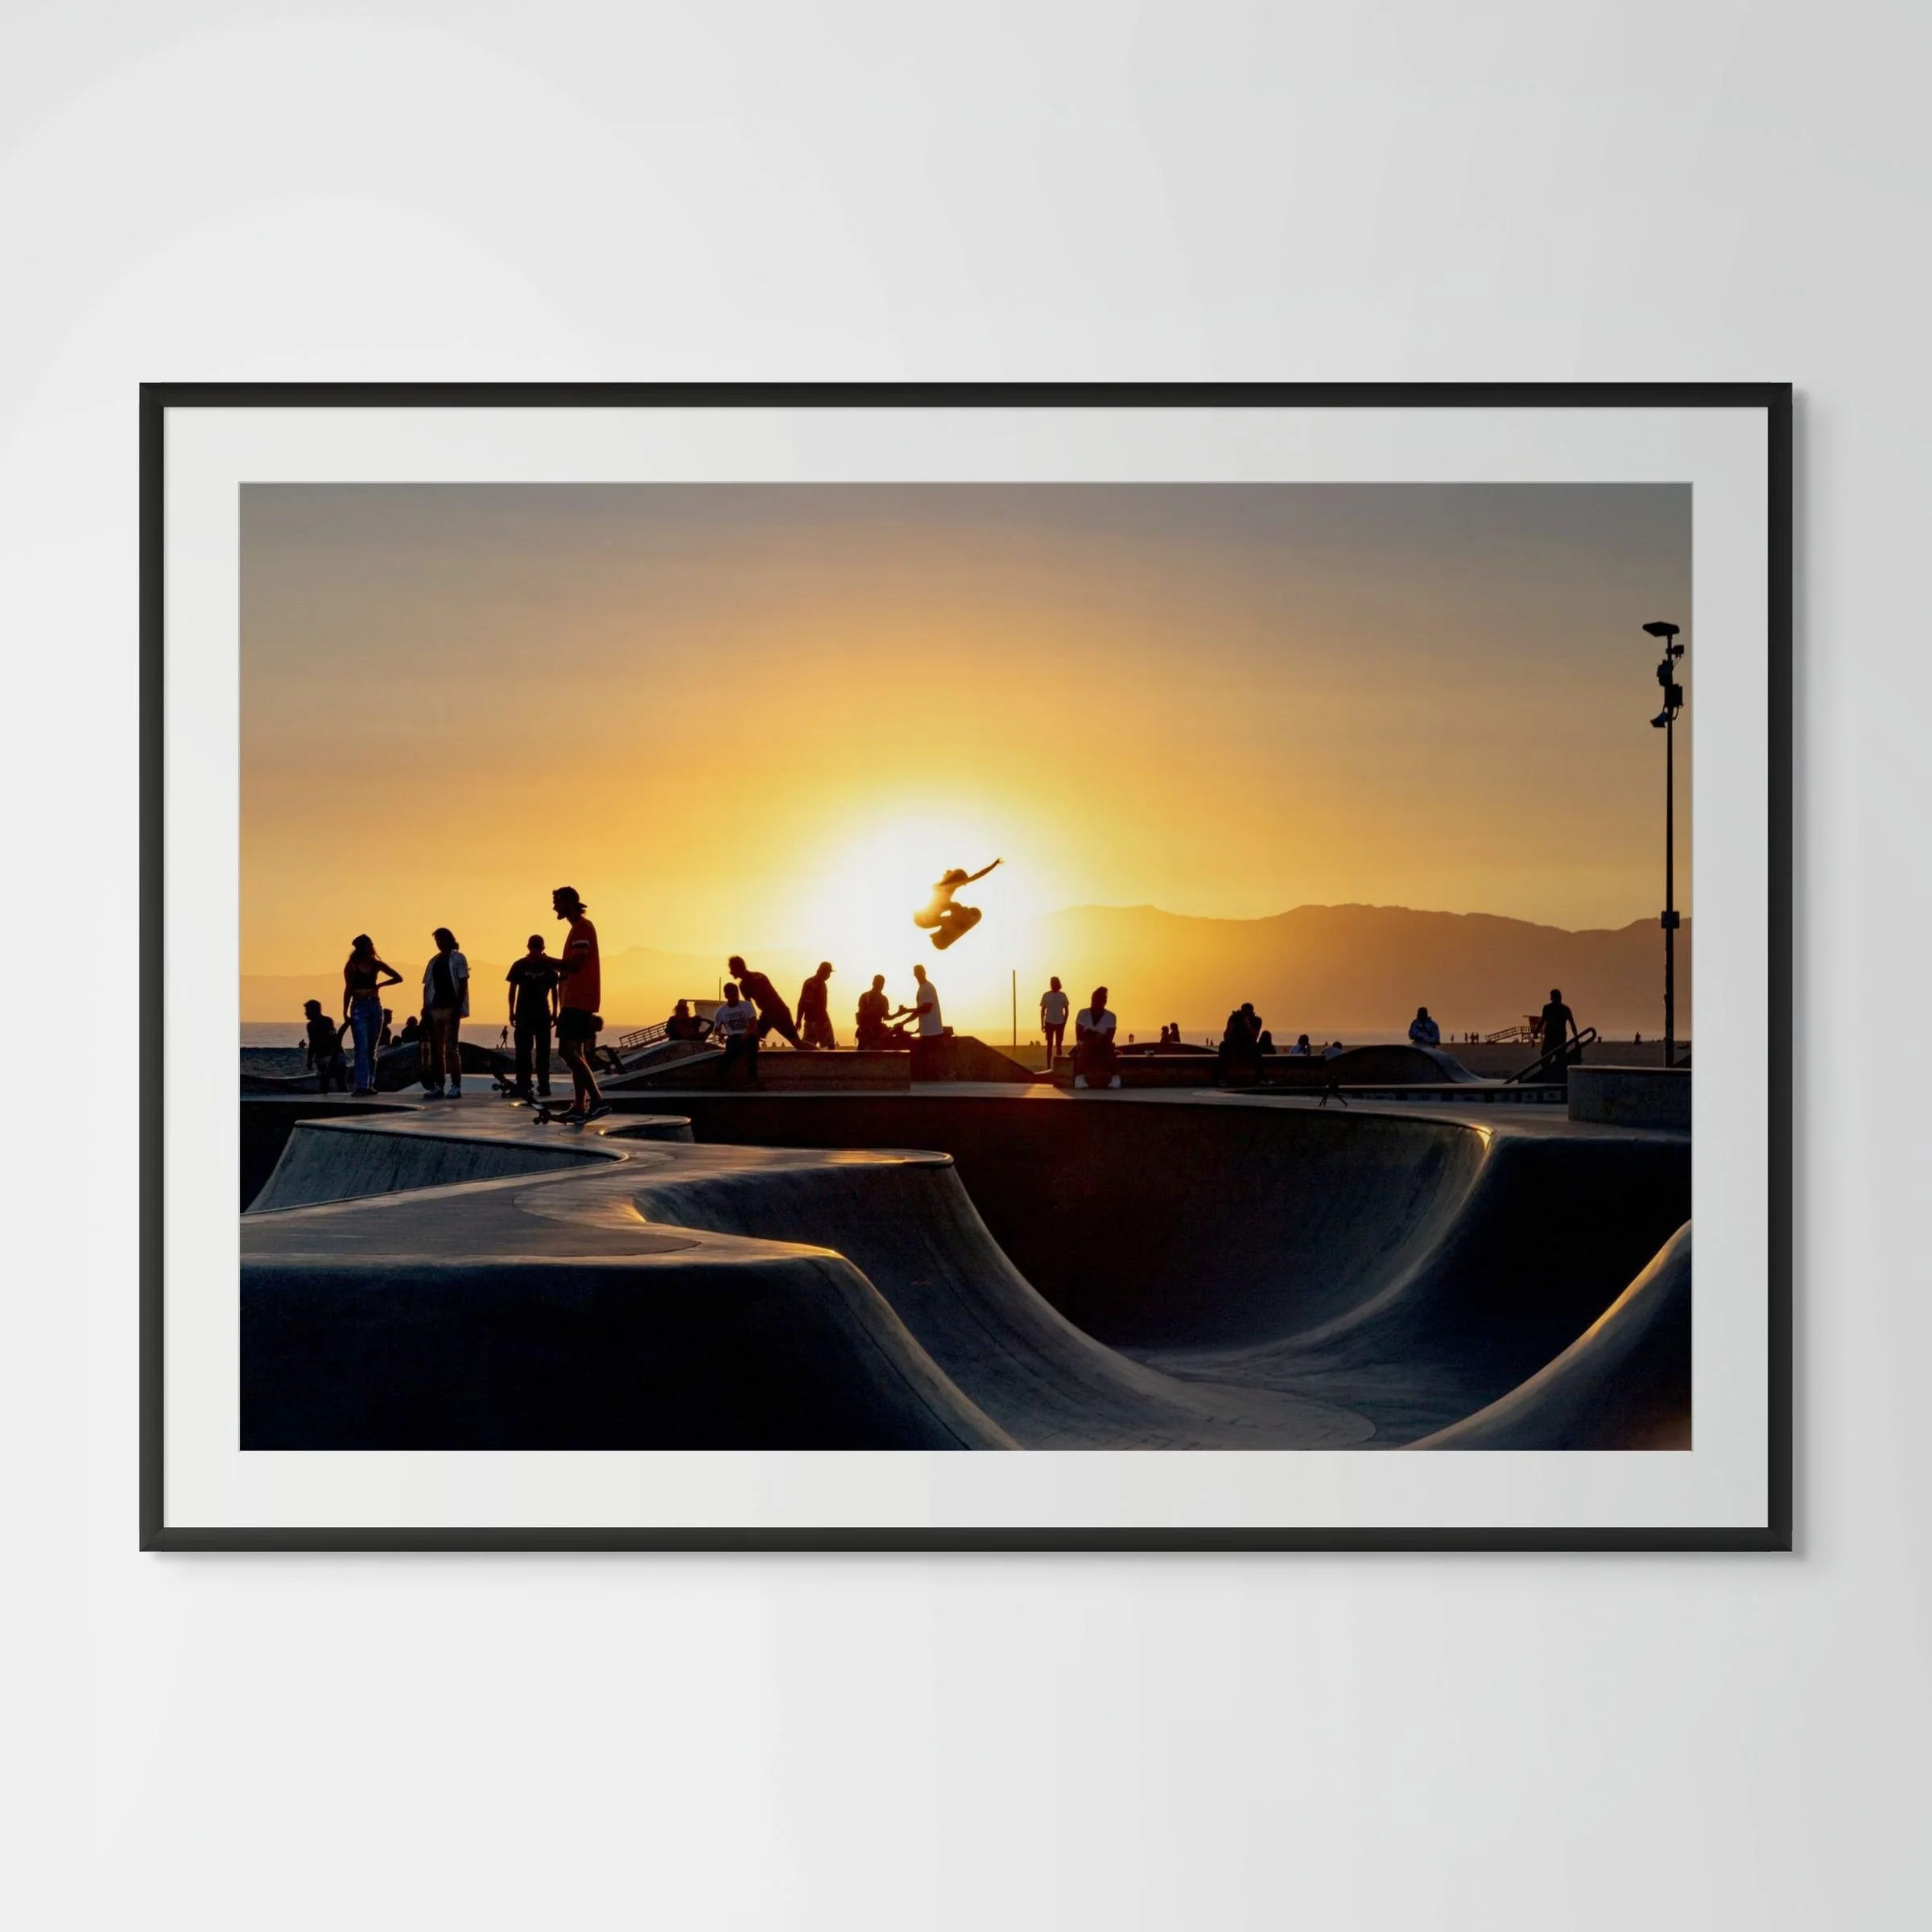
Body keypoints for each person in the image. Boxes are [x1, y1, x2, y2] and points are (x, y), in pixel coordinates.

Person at [552, 886, 608, 1120]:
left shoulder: (582, 928)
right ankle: (579, 1106)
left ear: (569, 903)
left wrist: (546, 962)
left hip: (578, 999)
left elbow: (576, 964)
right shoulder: (577, 929)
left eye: (557, 902)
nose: (554, 907)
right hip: (575, 999)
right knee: (577, 1053)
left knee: (567, 1051)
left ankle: (597, 1100)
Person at [341, 934, 403, 1095]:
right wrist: (345, 1010)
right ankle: (362, 1084)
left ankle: (369, 1084)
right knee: (361, 1046)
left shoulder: (376, 964)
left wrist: (381, 985)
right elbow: (348, 989)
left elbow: (398, 977)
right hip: (359, 1005)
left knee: (371, 1048)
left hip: (374, 1005)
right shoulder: (352, 966)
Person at [505, 934, 562, 1100]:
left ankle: (544, 1085)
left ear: (543, 949)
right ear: (529, 947)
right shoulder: (519, 965)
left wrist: (555, 1012)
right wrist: (511, 1011)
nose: (536, 950)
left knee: (543, 1053)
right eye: (534, 947)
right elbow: (512, 990)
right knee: (523, 1052)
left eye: (538, 947)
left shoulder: (549, 969)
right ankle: (524, 1084)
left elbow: (554, 991)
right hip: (523, 1015)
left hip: (542, 1014)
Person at [418, 927, 470, 1098]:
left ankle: (455, 1085)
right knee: (436, 1049)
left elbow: (463, 983)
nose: (439, 943)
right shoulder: (433, 961)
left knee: (451, 1048)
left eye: (442, 940)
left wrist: (458, 1006)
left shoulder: (458, 958)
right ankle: (439, 1084)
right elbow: (427, 986)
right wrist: (426, 1007)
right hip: (435, 1009)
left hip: (450, 1008)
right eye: (437, 941)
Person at [914, 859, 1001, 950]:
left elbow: (976, 876)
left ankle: (941, 937)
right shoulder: (948, 886)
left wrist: (993, 865)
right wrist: (993, 865)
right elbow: (976, 876)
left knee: (954, 908)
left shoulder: (938, 886)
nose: (945, 874)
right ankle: (946, 936)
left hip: (922, 918)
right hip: (926, 919)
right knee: (956, 907)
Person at [727, 955, 802, 1048]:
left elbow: (750, 1007)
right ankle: (821, 1056)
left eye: (731, 969)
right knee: (797, 1042)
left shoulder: (744, 984)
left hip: (770, 1012)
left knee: (752, 1035)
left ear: (737, 968)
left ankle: (751, 1058)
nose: (730, 972)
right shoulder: (760, 975)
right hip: (782, 1009)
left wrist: (753, 1023)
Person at [711, 980, 760, 1082]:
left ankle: (752, 1076)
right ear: (726, 996)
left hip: (748, 1035)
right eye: (732, 995)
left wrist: (746, 1033)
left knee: (752, 1048)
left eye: (736, 995)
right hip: (734, 1037)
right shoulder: (721, 1012)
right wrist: (720, 1035)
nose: (735, 998)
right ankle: (720, 1076)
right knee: (731, 1054)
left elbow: (753, 1023)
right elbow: (717, 1029)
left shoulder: (746, 1006)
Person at [1074, 985, 1120, 1088]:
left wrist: (1092, 1035)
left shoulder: (1111, 1017)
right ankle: (1080, 1077)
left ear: (1104, 1002)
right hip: (1084, 1045)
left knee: (1108, 1048)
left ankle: (1115, 1077)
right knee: (1087, 1044)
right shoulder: (1083, 1014)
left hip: (1103, 1045)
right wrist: (1096, 1036)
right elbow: (1080, 1036)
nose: (1094, 1002)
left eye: (1098, 1000)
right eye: (1094, 999)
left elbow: (1109, 1038)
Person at [302, 999, 349, 1093]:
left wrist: (334, 1055)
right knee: (327, 1080)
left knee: (338, 1080)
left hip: (332, 1055)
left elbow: (332, 1039)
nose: (306, 1013)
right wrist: (309, 1059)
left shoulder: (325, 1021)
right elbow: (313, 1043)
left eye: (307, 1011)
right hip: (324, 1056)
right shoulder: (311, 1025)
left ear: (314, 1011)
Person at [1538, 987, 1579, 1080]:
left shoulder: (1564, 1009)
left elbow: (1572, 1024)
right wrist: (1536, 1032)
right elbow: (1542, 1021)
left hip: (1558, 1038)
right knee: (1546, 1059)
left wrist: (1576, 1039)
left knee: (1559, 1059)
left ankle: (1556, 1075)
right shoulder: (1549, 1008)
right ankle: (1549, 1074)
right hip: (1551, 1038)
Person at [1218, 1003, 1265, 1084]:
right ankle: (1222, 1078)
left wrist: (1247, 1024)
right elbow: (1226, 1036)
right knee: (1223, 1046)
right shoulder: (1234, 1019)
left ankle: (1261, 1078)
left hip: (1248, 1046)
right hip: (1234, 1045)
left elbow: (1255, 1036)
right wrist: (1232, 1025)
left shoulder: (1256, 1020)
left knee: (1257, 1048)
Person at [797, 962, 836, 1049]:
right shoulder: (814, 984)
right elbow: (804, 1002)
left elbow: (802, 1002)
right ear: (822, 971)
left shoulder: (816, 983)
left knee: (827, 1044)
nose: (829, 975)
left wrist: (799, 1019)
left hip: (818, 1019)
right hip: (815, 1020)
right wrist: (799, 1019)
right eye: (828, 973)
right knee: (810, 1046)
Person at [855, 975, 896, 1050]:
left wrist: (898, 1014)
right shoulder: (865, 997)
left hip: (878, 1034)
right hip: (865, 1034)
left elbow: (886, 1017)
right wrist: (872, 1009)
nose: (879, 986)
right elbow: (861, 1015)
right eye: (878, 984)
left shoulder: (883, 999)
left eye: (881, 984)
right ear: (873, 983)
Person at [1039, 976, 1070, 1066]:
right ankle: (1048, 1065)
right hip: (1049, 1022)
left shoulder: (1062, 995)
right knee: (1049, 1045)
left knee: (1059, 1045)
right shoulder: (1046, 995)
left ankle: (1058, 1066)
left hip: (1060, 1023)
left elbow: (1067, 1010)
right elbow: (1043, 1010)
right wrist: (1042, 1023)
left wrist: (1064, 1022)